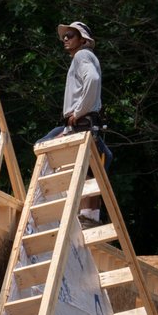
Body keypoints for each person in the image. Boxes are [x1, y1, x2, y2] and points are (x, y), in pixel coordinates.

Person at [52, 20, 107, 222]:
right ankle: (89, 217)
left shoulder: (82, 56)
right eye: (64, 36)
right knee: (91, 168)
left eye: (70, 35)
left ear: (83, 40)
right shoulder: (88, 57)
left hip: (80, 123)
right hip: (87, 123)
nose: (65, 39)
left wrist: (78, 112)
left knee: (45, 146)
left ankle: (76, 216)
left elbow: (92, 79)